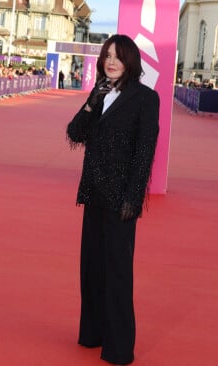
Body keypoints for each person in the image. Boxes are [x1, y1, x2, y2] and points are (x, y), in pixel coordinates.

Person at [66, 34, 160, 365]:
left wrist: (133, 199)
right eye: (107, 56)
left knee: (118, 272)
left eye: (118, 57)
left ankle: (119, 348)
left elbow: (144, 152)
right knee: (91, 268)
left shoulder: (146, 98)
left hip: (121, 197)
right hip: (93, 192)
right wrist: (92, 100)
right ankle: (92, 333)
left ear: (130, 61)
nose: (111, 62)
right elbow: (75, 133)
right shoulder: (100, 93)